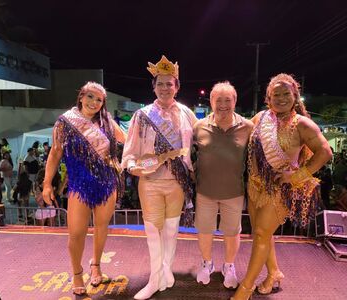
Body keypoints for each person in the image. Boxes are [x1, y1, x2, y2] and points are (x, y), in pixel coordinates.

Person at [231, 74, 332, 299]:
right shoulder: (260, 118)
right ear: (268, 97)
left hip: (280, 190)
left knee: (260, 234)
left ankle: (245, 289)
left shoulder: (303, 124)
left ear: (295, 95)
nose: (281, 98)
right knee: (262, 236)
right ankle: (274, 273)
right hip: (255, 186)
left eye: (286, 93)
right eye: (276, 94)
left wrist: (297, 175)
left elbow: (325, 152)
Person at [122, 55, 197, 300]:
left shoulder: (187, 113)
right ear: (154, 87)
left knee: (172, 231)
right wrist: (132, 165)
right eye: (160, 83)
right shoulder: (142, 115)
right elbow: (131, 149)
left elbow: (202, 140)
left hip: (177, 183)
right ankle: (154, 279)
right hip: (151, 182)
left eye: (170, 83)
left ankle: (165, 271)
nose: (165, 88)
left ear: (177, 86)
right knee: (153, 231)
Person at [42, 82, 126, 296]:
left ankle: (96, 265)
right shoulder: (65, 122)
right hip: (79, 184)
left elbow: (127, 139)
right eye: (90, 97)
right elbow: (55, 153)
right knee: (76, 232)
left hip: (107, 182)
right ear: (81, 97)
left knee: (101, 226)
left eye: (99, 100)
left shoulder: (107, 121)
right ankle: (77, 273)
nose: (94, 102)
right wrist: (47, 183)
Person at [193, 81, 253, 289]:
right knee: (204, 230)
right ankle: (207, 263)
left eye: (228, 100)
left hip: (234, 192)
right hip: (205, 191)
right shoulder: (199, 127)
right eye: (219, 100)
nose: (223, 104)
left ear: (235, 101)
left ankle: (229, 266)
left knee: (232, 232)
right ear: (211, 102)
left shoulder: (247, 127)